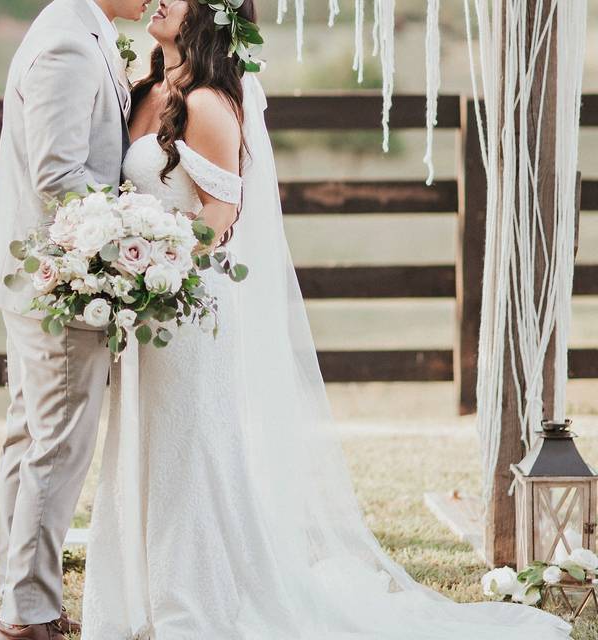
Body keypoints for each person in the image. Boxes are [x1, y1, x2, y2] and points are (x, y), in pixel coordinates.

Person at [80, 1, 573, 638]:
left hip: (186, 310)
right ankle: (138, 595)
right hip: (144, 314)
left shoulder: (207, 104)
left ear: (211, 12)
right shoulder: (144, 90)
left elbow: (218, 222)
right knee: (139, 447)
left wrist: (151, 264)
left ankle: (191, 602)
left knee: (188, 452)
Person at [0, 0, 152, 638]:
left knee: (31, 441)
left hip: (37, 278)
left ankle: (23, 599)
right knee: (58, 447)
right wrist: (141, 235)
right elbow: (57, 173)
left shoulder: (83, 28)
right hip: (58, 281)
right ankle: (28, 616)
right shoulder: (68, 45)